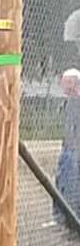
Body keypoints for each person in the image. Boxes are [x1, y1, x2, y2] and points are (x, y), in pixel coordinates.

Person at [53, 67, 80, 229]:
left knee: (72, 185)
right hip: (67, 147)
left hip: (75, 150)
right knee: (60, 181)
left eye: (65, 81)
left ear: (73, 83)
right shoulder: (68, 101)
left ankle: (71, 220)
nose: (61, 85)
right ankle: (59, 216)